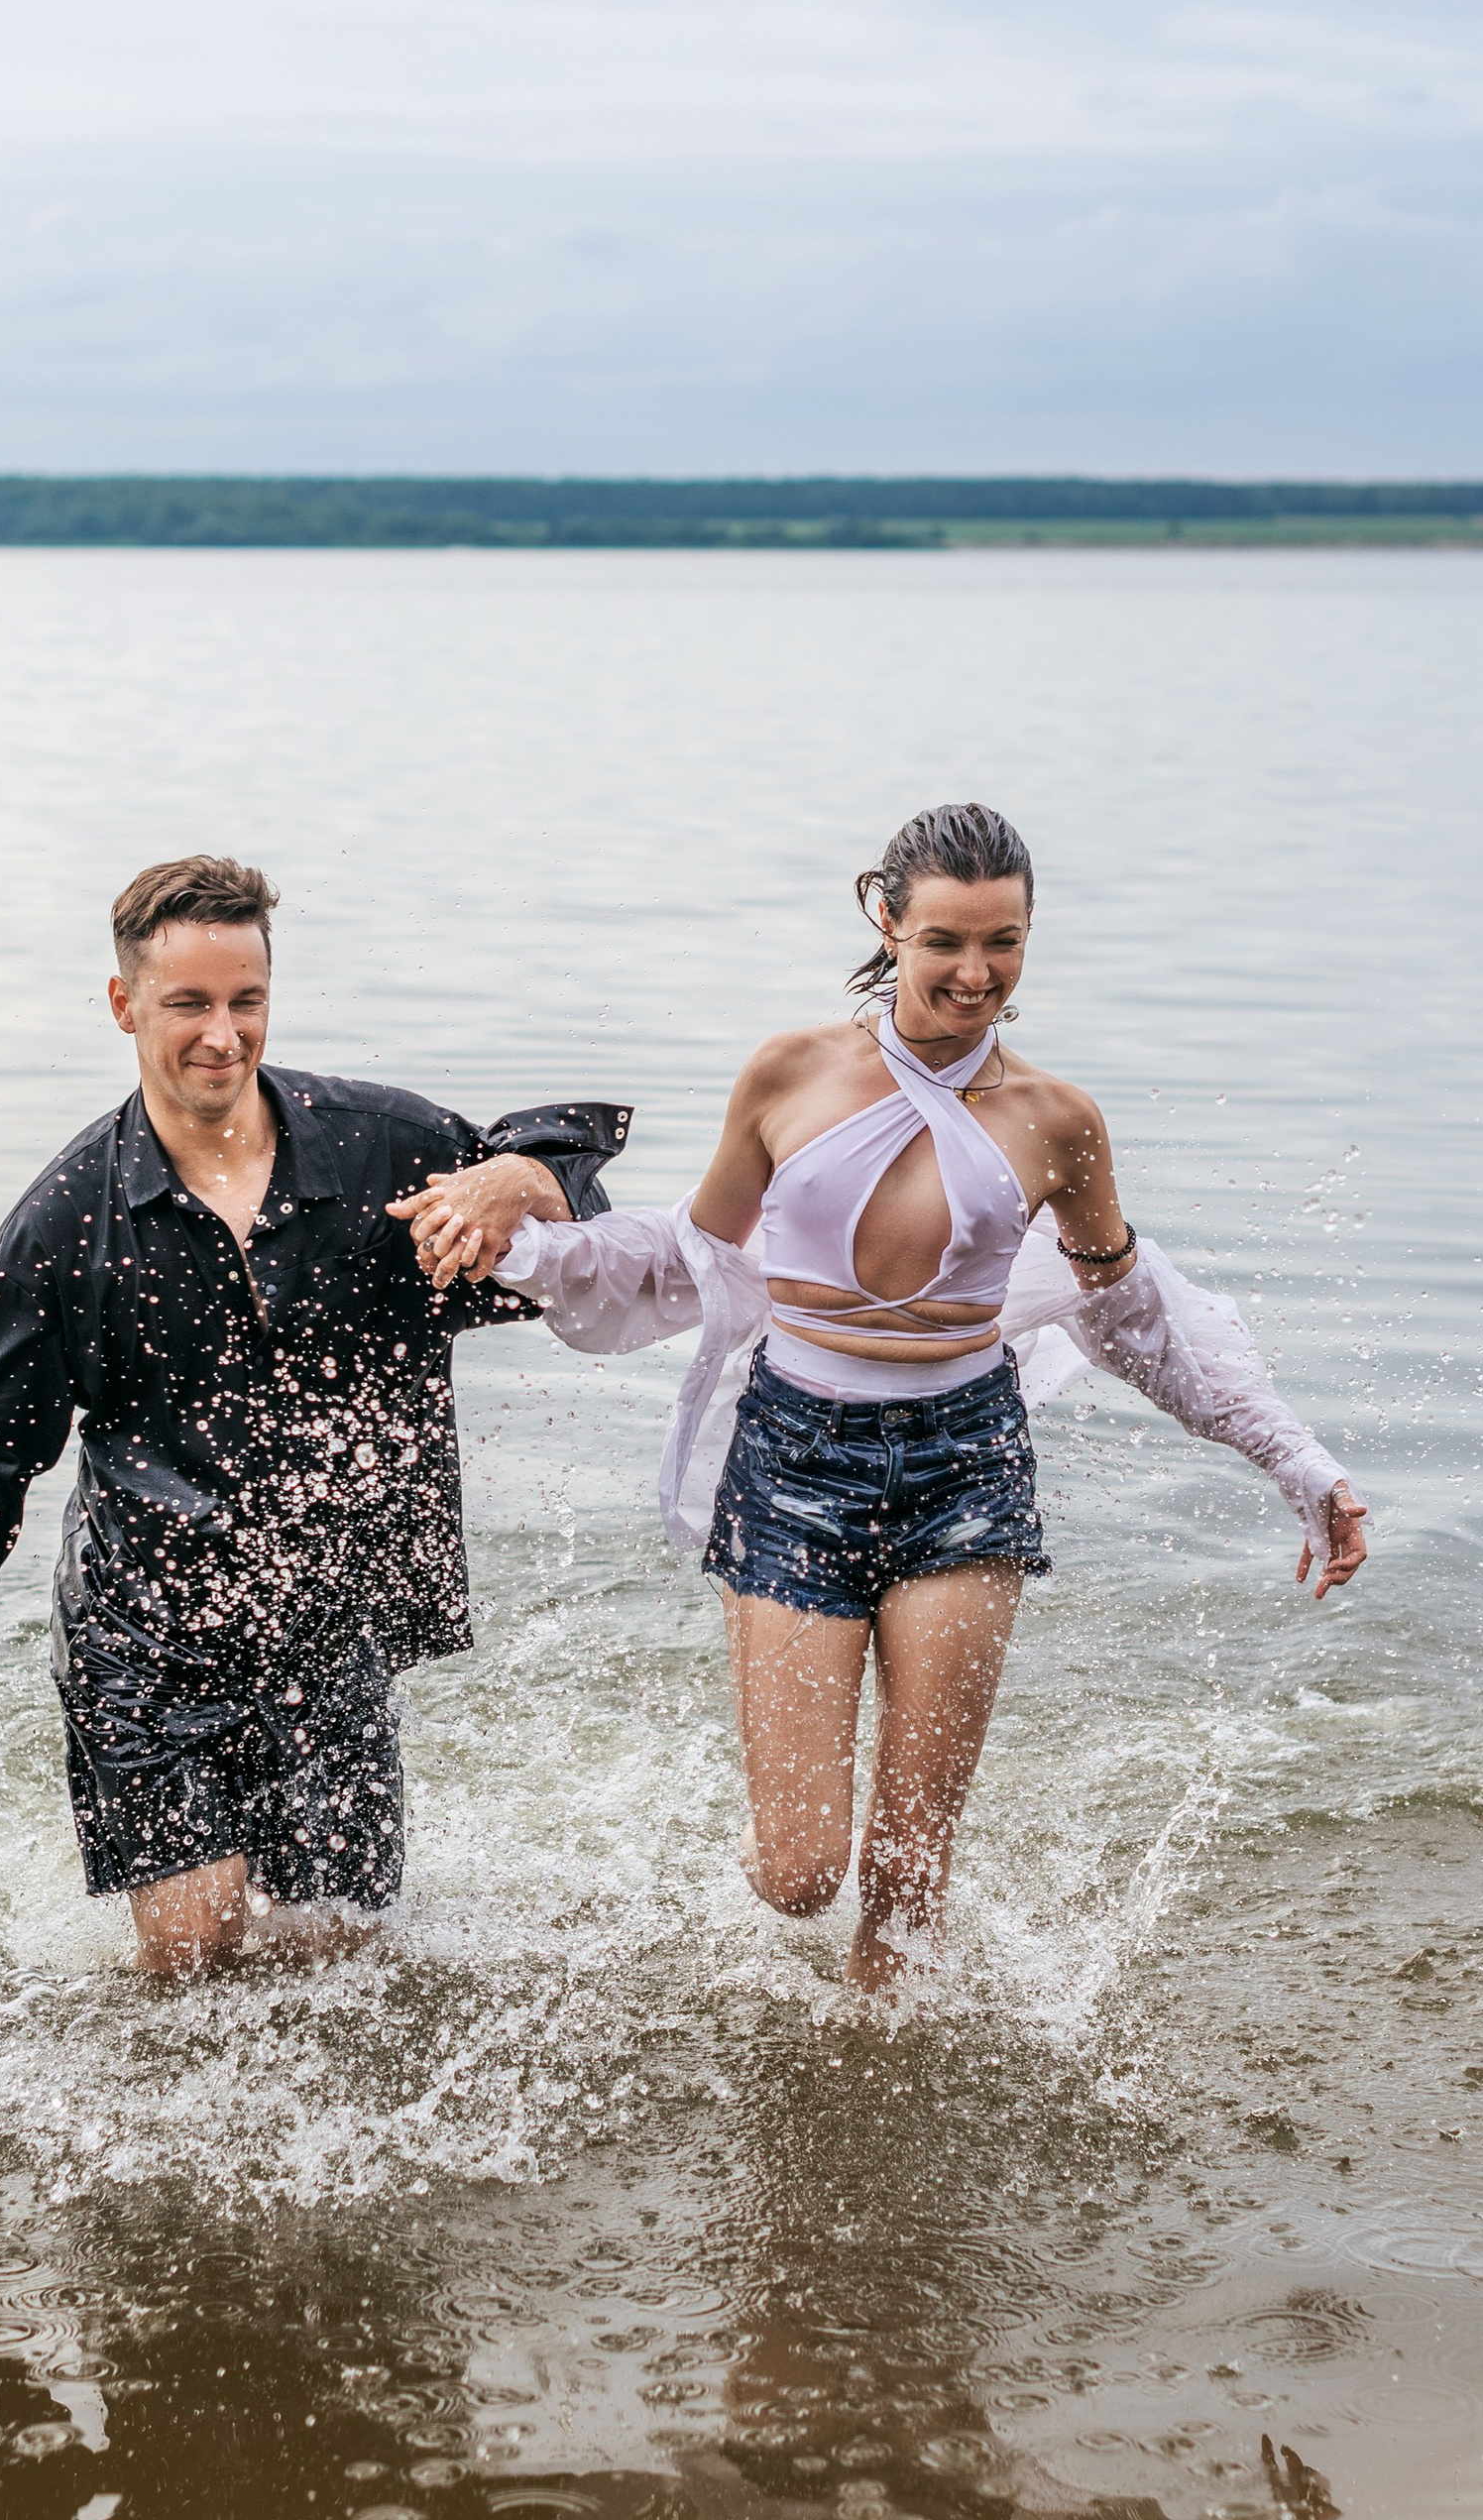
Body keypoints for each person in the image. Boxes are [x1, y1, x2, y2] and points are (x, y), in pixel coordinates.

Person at [476, 801, 1369, 1990]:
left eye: (1002, 942)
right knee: (801, 1874)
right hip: (795, 1460)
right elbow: (695, 1260)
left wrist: (1295, 1460)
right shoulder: (789, 1074)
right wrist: (532, 1241)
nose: (974, 972)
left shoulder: (1059, 1123)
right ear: (882, 918)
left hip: (965, 1464)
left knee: (906, 1884)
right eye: (945, 939)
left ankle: (868, 2127)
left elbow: (1138, 1318)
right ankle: (775, 1830)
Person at [0, 854, 626, 1975]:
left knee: (336, 1959)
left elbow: (572, 1179)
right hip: (145, 1634)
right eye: (189, 1005)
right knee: (197, 1951)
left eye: (245, 1001)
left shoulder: (374, 1150)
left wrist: (522, 1178)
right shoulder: (64, 1224)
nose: (223, 1034)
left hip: (328, 1621)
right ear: (123, 1006)